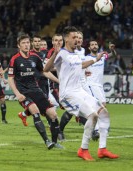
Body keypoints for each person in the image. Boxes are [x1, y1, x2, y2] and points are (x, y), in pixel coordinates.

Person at [44, 26, 118, 161]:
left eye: (77, 38)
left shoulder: (75, 54)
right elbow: (46, 69)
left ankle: (102, 149)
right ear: (66, 39)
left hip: (79, 91)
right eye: (73, 37)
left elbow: (81, 65)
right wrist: (55, 53)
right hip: (68, 94)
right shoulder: (61, 53)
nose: (76, 40)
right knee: (93, 115)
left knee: (104, 113)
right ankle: (83, 149)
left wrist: (96, 59)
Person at [8, 34, 62, 149]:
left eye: (28, 42)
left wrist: (59, 81)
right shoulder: (15, 59)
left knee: (53, 114)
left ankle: (54, 142)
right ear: (19, 46)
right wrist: (17, 94)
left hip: (36, 90)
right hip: (24, 93)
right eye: (23, 43)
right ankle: (47, 141)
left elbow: (44, 71)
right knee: (34, 110)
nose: (26, 45)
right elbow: (10, 78)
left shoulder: (35, 57)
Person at [17, 35, 50, 127]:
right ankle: (50, 123)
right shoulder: (29, 53)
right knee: (44, 103)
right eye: (35, 41)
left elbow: (46, 68)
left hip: (45, 80)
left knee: (41, 103)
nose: (37, 43)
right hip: (35, 82)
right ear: (32, 43)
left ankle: (23, 114)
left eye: (39, 41)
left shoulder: (44, 53)